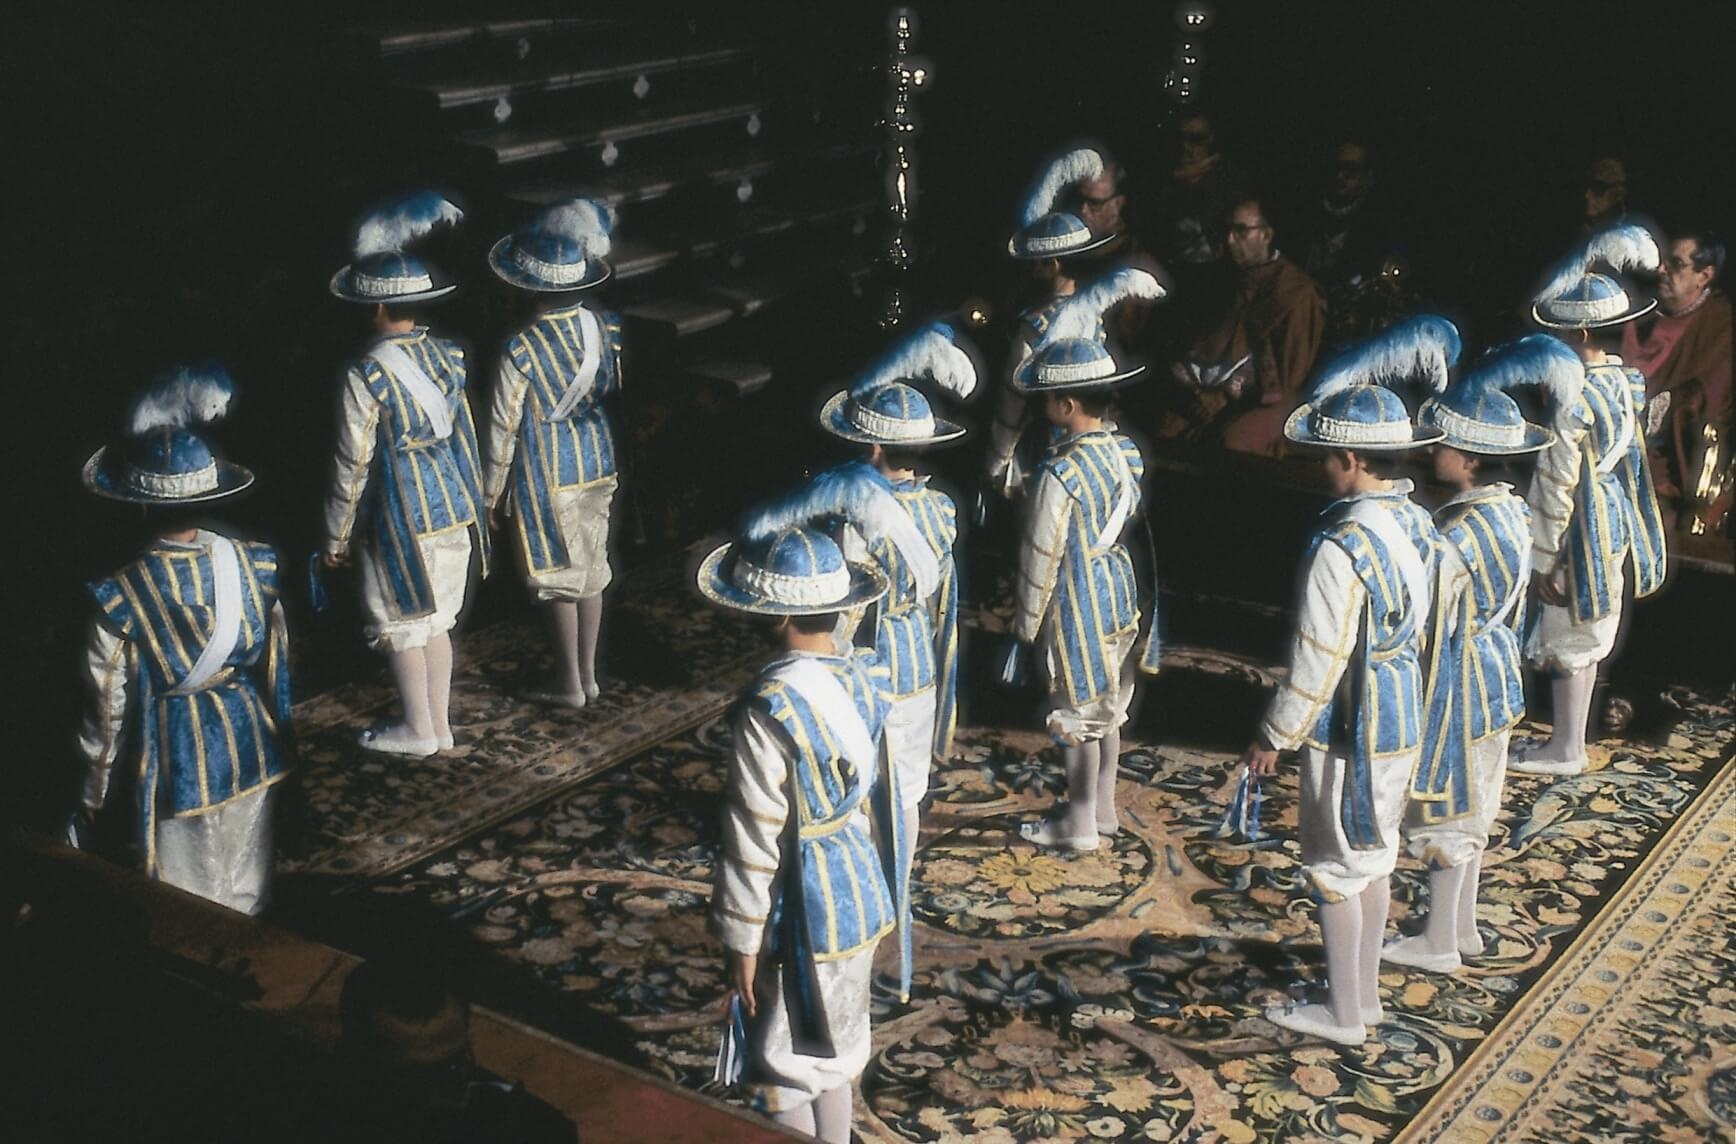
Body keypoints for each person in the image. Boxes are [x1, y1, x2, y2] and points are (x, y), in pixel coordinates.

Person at [1242, 317, 1452, 1045]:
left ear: (1353, 457)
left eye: (1329, 457)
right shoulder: (1421, 524)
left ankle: (1341, 1012)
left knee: (1334, 864)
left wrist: (1275, 732)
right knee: (1375, 857)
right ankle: (1361, 999)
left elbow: (1319, 654)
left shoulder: (1342, 543)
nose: (1321, 468)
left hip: (1350, 720)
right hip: (1402, 714)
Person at [699, 466, 912, 1143]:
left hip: (804, 904)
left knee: (786, 1060)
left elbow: (753, 831)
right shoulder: (864, 676)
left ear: (779, 614)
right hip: (861, 892)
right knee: (838, 1048)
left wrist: (742, 938)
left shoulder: (771, 709)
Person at [76, 365, 293, 915]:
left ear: (140, 503)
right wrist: (284, 735)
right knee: (249, 888)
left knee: (183, 902)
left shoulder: (119, 595)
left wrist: (94, 794)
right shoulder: (255, 565)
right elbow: (278, 667)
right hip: (252, 741)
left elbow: (106, 707)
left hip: (175, 756)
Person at [1384, 337, 1558, 973]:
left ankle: (1436, 941)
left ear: (1475, 459)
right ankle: (1459, 926)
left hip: (1461, 682)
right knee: (1476, 801)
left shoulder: (1465, 532)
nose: (1434, 452)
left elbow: (1424, 613)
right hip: (1493, 677)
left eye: (1445, 445)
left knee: (1450, 806)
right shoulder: (1508, 512)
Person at [323, 191, 489, 758]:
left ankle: (419, 729)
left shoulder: (365, 374)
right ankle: (437, 725)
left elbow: (354, 460)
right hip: (454, 509)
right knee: (437, 620)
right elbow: (465, 436)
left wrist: (337, 536)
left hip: (401, 519)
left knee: (400, 624)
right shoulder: (449, 356)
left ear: (372, 309)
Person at [1007, 268, 1166, 849]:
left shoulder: (1061, 471)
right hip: (1119, 585)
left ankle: (1077, 822)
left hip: (1078, 594)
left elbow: (1042, 552)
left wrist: (1026, 621)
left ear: (1067, 404)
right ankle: (1102, 808)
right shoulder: (1126, 451)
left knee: (1075, 711)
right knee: (1109, 706)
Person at [820, 321, 975, 890]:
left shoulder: (858, 513)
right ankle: (900, 879)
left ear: (873, 446)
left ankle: (865, 883)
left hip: (871, 666)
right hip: (920, 662)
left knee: (861, 783)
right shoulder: (941, 507)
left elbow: (847, 605)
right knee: (908, 785)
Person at [1511, 226, 1669, 776]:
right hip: (1612, 519)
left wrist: (1543, 555)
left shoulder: (1573, 396)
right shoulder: (1625, 383)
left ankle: (1567, 746)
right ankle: (1565, 740)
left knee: (1571, 631)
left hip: (1584, 523)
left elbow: (1555, 483)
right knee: (1582, 632)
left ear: (1579, 331)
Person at [483, 198, 622, 708]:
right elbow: (611, 389)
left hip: (547, 468)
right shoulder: (606, 329)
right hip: (598, 458)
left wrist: (492, 492)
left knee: (560, 579)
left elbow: (503, 426)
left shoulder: (521, 348)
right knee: (591, 570)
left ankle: (568, 682)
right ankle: (588, 675)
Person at [990, 147, 1120, 496]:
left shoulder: (1033, 325)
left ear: (1053, 264)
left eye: (1039, 262)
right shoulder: (1096, 314)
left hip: (1043, 447)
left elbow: (1012, 401)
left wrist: (999, 460)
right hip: (1090, 438)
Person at [1164, 198, 1326, 454]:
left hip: (1269, 400)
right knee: (1167, 426)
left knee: (1233, 440)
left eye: (1241, 231)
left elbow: (1292, 377)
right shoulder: (1222, 278)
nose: (1230, 241)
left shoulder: (1295, 293)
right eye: (1227, 231)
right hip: (1207, 387)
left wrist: (1229, 396)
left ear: (1266, 234)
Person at [1619, 227, 1731, 534]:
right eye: (1662, 260)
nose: (1661, 269)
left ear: (1704, 276)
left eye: (1676, 264)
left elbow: (1709, 412)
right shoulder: (1641, 316)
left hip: (1673, 481)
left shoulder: (1720, 331)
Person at [1300, 140, 1392, 295]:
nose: (1340, 176)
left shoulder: (1379, 227)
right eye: (1337, 167)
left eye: (1351, 169)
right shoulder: (1305, 212)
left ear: (1368, 176)